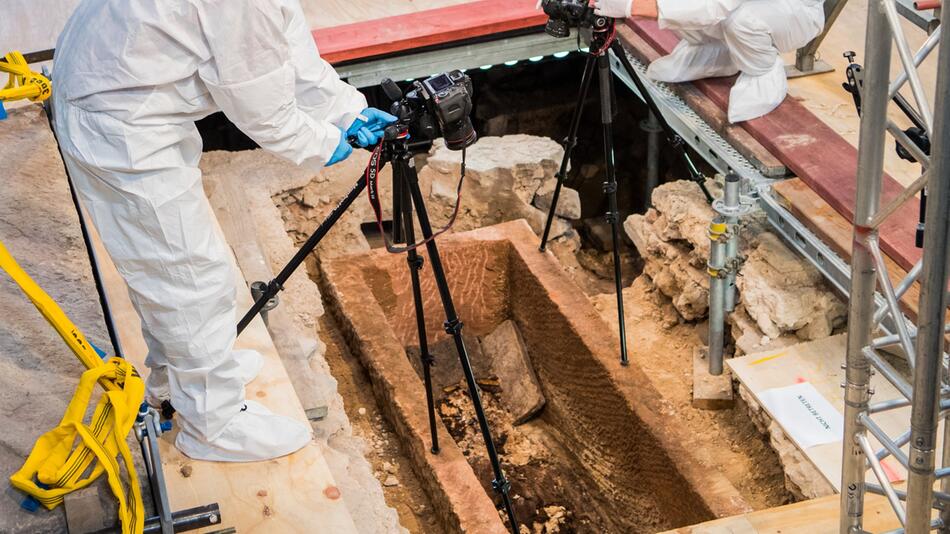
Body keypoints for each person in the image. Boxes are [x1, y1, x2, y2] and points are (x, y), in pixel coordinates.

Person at [50, 0, 396, 462]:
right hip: (117, 124)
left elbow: (285, 42)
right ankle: (212, 424)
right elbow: (264, 111)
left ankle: (177, 378)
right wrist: (326, 142)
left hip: (128, 95)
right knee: (187, 274)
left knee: (172, 269)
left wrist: (345, 111)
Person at [592, 0, 825, 122]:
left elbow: (714, 5)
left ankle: (762, 70)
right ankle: (715, 52)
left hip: (794, 10)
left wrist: (631, 6)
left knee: (742, 21)